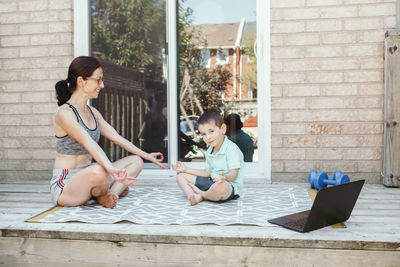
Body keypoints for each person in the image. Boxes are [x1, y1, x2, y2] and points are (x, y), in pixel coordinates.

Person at [51, 56, 167, 209]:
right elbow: (88, 142)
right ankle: (104, 190)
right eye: (98, 80)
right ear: (81, 81)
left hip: (90, 173)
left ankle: (110, 194)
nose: (102, 85)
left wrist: (146, 156)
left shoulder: (93, 112)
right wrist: (111, 170)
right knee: (100, 171)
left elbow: (117, 138)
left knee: (136, 161)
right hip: (66, 184)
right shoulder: (64, 113)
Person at [172, 111, 244, 205]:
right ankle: (192, 195)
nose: (208, 137)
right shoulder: (210, 150)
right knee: (180, 176)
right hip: (211, 182)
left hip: (228, 186)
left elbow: (234, 174)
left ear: (223, 129)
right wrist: (186, 169)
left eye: (211, 131)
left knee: (221, 187)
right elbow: (207, 173)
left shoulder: (231, 148)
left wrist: (224, 177)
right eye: (204, 134)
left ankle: (202, 195)